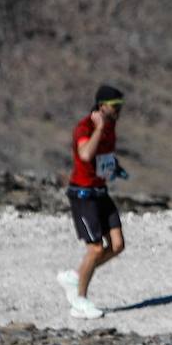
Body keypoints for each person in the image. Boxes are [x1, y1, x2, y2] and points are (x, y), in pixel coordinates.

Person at [57, 84, 129, 319]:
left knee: (117, 245)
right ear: (101, 106)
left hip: (100, 191)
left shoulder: (112, 126)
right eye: (115, 106)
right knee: (96, 248)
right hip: (83, 195)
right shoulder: (85, 127)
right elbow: (86, 154)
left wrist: (114, 167)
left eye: (121, 106)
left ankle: (77, 276)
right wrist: (98, 129)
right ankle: (79, 301)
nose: (119, 111)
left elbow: (102, 156)